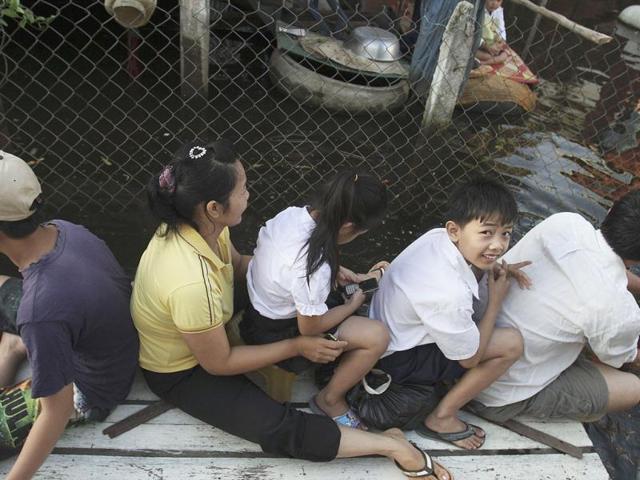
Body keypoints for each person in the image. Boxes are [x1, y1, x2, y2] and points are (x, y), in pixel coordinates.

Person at [130, 140, 452, 480]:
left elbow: (239, 265)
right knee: (278, 428)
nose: (248, 194)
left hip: (213, 324)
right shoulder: (190, 282)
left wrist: (293, 277)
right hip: (182, 370)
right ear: (212, 207)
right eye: (243, 189)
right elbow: (218, 363)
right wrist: (297, 345)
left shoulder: (203, 228)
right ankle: (392, 446)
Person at [0, 150, 139, 479]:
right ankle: (14, 346)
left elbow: (56, 411)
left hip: (90, 388)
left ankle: (12, 347)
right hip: (78, 324)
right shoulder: (63, 229)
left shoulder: (39, 312)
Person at [369, 178, 528, 450]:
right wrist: (495, 304)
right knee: (511, 344)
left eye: (506, 233)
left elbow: (473, 265)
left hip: (389, 329)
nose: (499, 245)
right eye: (487, 233)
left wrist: (493, 264)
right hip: (397, 359)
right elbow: (470, 359)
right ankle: (441, 418)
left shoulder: (437, 238)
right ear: (455, 230)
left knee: (482, 295)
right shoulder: (449, 294)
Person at [471, 191, 640, 423]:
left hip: (464, 349)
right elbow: (620, 358)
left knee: (597, 332)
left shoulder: (565, 223)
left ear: (611, 209)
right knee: (632, 387)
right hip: (494, 395)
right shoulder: (619, 310)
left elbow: (602, 265)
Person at [240, 170, 390, 429]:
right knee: (377, 337)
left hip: (257, 308)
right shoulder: (313, 268)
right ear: (348, 227)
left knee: (351, 291)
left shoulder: (291, 216)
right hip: (277, 333)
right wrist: (350, 306)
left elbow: (289, 264)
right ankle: (330, 399)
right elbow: (309, 328)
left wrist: (334, 269)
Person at [476, 0, 509, 65]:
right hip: (478, 43)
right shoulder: (478, 9)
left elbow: (502, 29)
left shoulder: (499, 11)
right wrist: (485, 46)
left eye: (498, 0)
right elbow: (473, 32)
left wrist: (501, 42)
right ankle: (484, 59)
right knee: (486, 56)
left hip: (492, 43)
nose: (494, 3)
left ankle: (483, 63)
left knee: (505, 55)